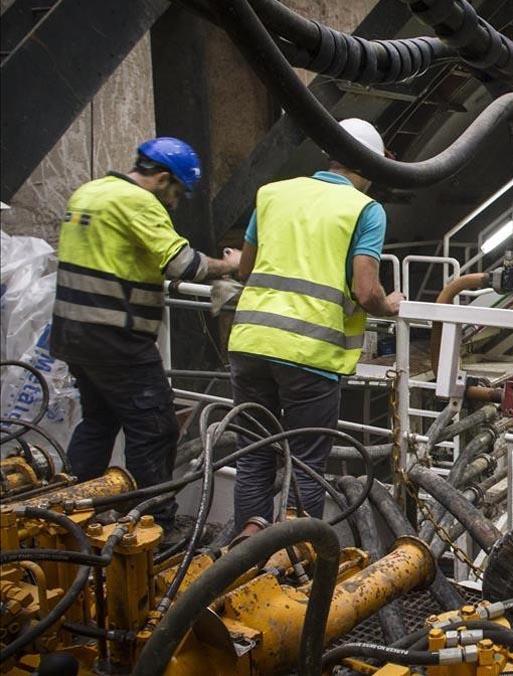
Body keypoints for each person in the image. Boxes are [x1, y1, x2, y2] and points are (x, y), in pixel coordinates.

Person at [51, 137, 241, 526]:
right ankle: (151, 523)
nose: (175, 202)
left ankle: (69, 512)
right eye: (177, 192)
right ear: (163, 178)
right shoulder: (137, 202)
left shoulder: (89, 191)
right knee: (155, 427)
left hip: (73, 332)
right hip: (116, 340)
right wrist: (230, 266)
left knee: (99, 422)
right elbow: (183, 265)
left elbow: (115, 255)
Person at [227, 118, 402, 538]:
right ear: (367, 166)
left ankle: (246, 553)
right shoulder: (364, 209)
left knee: (253, 456)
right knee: (305, 463)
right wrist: (390, 306)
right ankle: (294, 562)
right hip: (310, 355)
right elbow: (365, 290)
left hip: (251, 344)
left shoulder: (271, 194)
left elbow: (246, 269)